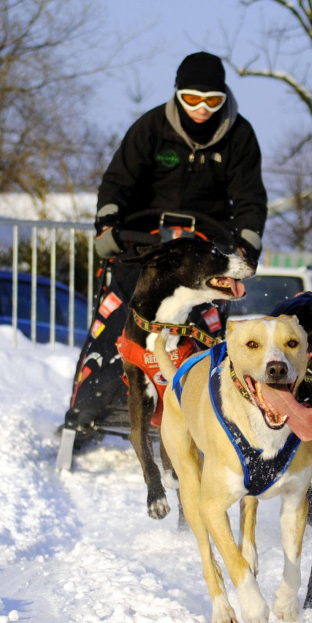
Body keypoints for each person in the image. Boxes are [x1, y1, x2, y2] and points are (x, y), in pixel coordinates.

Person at [62, 51, 268, 441]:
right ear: (177, 94)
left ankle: (203, 409)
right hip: (146, 245)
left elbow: (250, 200)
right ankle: (90, 398)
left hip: (206, 248)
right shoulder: (152, 126)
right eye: (192, 99)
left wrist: (245, 246)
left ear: (224, 97)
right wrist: (108, 223)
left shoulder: (240, 135)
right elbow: (118, 180)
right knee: (121, 310)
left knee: (205, 323)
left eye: (212, 101)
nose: (202, 109)